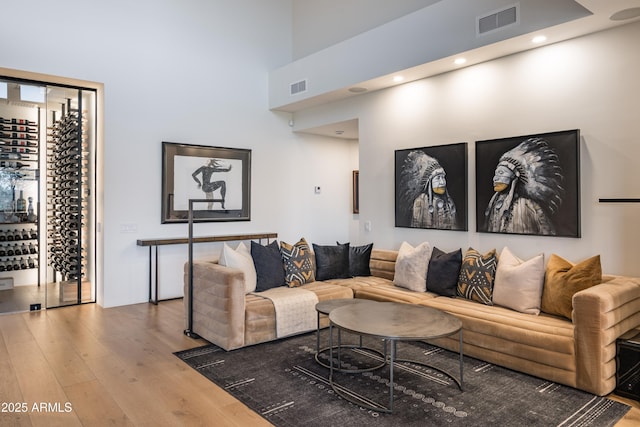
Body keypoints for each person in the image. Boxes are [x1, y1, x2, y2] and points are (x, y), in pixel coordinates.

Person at [484, 137, 564, 235]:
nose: (495, 178)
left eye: (501, 173)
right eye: (495, 174)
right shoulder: (494, 203)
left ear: (515, 175)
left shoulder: (528, 206)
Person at [400, 150, 458, 229]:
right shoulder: (420, 201)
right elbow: (416, 227)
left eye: (443, 177)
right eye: (438, 178)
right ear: (429, 182)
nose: (442, 182)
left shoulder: (449, 202)